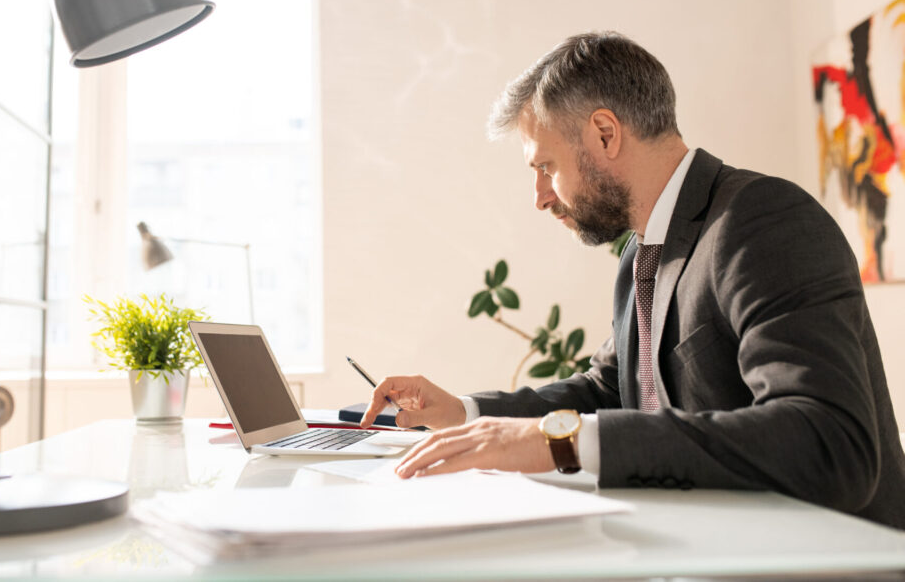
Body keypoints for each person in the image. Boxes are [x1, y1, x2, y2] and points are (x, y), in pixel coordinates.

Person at [360, 31, 905, 529]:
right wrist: (464, 414)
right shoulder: (642, 253)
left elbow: (830, 443)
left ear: (604, 133)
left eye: (545, 167)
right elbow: (607, 391)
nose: (541, 197)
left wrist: (559, 444)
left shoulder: (762, 220)